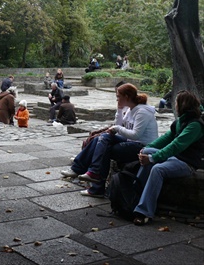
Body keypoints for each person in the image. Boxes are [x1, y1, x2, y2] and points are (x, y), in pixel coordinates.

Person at [61, 83, 158, 197]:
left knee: (104, 148)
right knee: (101, 139)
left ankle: (93, 181)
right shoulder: (130, 109)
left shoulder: (142, 112)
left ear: (126, 96)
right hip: (129, 141)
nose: (117, 99)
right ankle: (85, 172)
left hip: (141, 146)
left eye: (118, 96)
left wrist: (117, 128)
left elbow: (136, 135)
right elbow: (118, 126)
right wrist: (119, 110)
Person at [133, 90, 204, 225]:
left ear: (183, 105)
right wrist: (146, 149)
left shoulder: (195, 125)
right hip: (175, 157)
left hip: (186, 163)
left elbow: (176, 145)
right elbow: (167, 138)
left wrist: (153, 158)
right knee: (147, 151)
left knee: (158, 169)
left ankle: (144, 212)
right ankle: (137, 192)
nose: (174, 105)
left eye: (176, 102)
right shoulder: (181, 121)